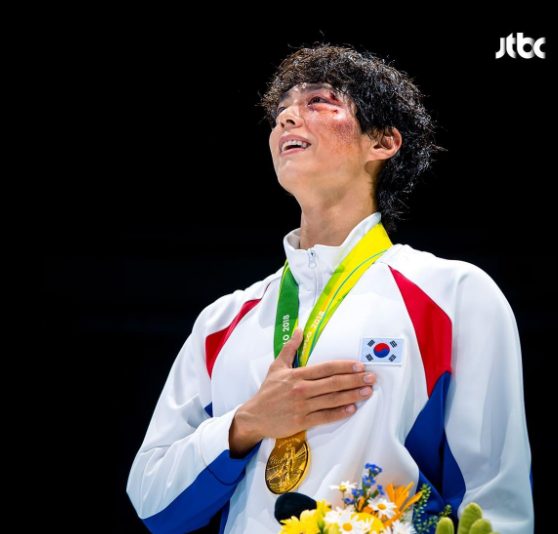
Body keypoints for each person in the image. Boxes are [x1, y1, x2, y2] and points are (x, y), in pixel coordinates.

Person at [127, 45, 533, 533]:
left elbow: (495, 504)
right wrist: (248, 422)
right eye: (281, 112)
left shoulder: (454, 295)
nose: (286, 118)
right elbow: (151, 500)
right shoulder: (223, 321)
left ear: (382, 142)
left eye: (318, 101)